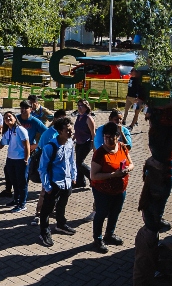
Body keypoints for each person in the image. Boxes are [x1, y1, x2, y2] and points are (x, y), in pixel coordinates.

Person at [89, 122, 134, 253]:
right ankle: (97, 239)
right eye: (106, 136)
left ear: (117, 136)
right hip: (102, 191)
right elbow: (94, 176)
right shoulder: (99, 154)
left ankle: (109, 234)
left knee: (115, 212)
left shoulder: (122, 147)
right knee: (102, 213)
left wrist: (127, 169)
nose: (108, 139)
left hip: (120, 190)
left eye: (111, 137)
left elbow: (131, 164)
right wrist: (114, 174)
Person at [37, 117, 78, 247]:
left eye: (71, 130)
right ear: (60, 131)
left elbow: (72, 161)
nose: (71, 133)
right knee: (47, 210)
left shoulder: (70, 143)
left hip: (67, 183)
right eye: (68, 130)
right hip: (54, 184)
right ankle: (44, 232)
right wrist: (47, 186)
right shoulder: (50, 147)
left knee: (62, 205)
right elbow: (42, 168)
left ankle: (61, 225)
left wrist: (73, 176)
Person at [0, 111, 30, 213]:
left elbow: (27, 145)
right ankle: (16, 200)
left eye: (9, 117)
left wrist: (26, 158)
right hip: (10, 159)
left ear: (15, 118)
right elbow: (0, 146)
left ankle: (22, 204)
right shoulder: (8, 132)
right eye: (5, 118)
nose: (8, 119)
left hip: (20, 160)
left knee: (22, 183)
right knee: (14, 182)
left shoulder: (20, 129)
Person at [73, 100, 96, 188]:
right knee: (78, 162)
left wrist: (94, 145)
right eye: (78, 105)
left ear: (86, 107)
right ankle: (80, 182)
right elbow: (77, 131)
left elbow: (93, 133)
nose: (79, 107)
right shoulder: (79, 117)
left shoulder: (88, 118)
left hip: (86, 143)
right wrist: (72, 139)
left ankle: (92, 177)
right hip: (78, 142)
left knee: (79, 162)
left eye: (81, 106)